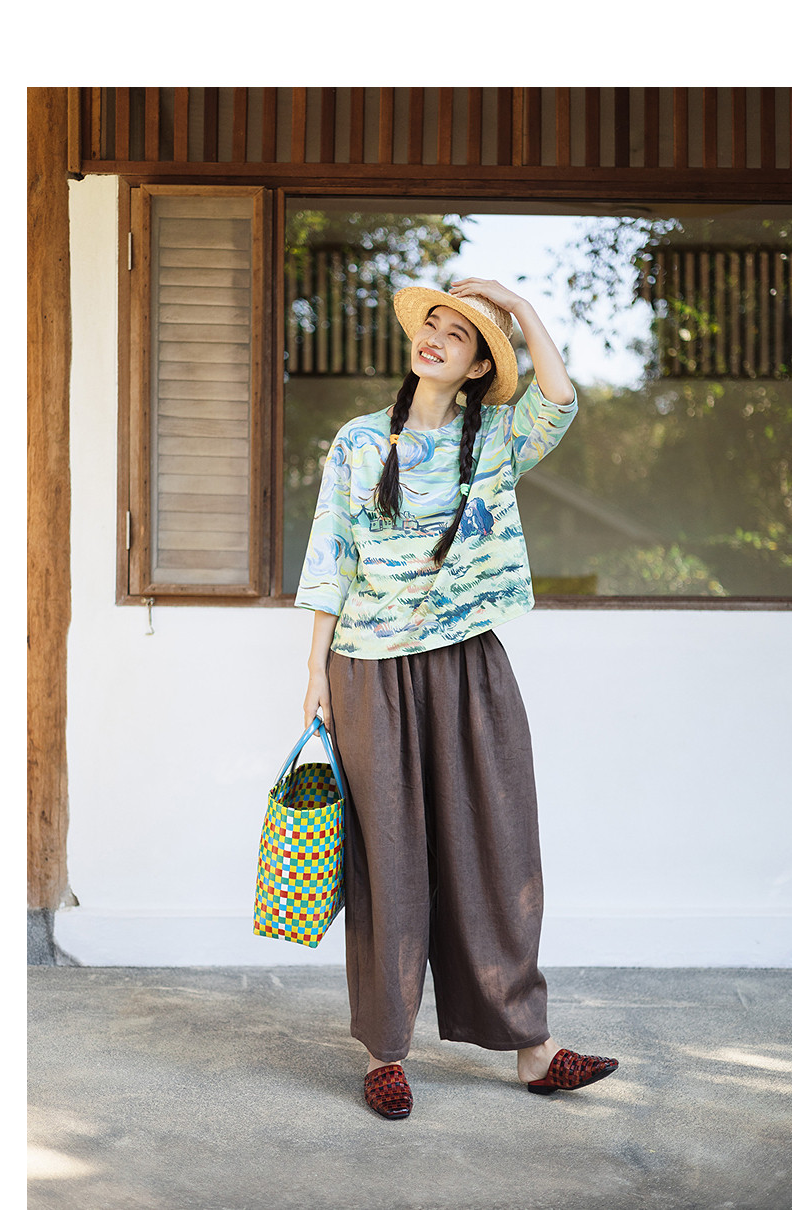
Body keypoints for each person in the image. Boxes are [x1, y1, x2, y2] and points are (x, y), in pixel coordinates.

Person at [296, 276, 618, 1120]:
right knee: (389, 858)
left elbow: (558, 398)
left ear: (478, 367)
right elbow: (332, 554)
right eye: (431, 324)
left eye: (457, 334)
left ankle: (532, 1050)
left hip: (469, 661)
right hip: (370, 667)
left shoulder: (496, 439)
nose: (434, 337)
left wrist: (519, 309)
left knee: (498, 848)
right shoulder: (360, 441)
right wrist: (315, 673)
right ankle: (385, 1054)